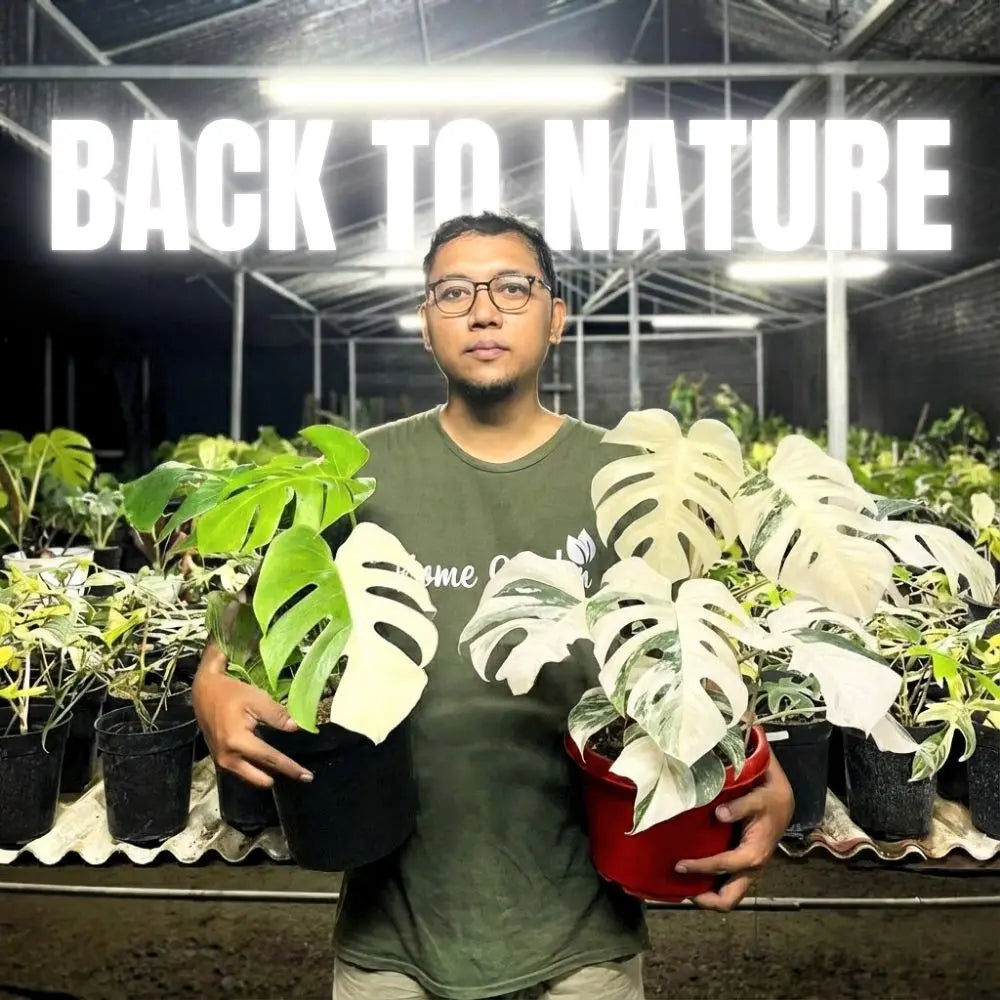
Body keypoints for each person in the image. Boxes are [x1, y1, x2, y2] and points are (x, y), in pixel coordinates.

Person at [192, 211, 795, 1000]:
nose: (483, 311)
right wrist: (212, 683)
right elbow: (257, 613)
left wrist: (769, 771)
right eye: (454, 292)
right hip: (391, 930)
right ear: (425, 323)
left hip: (581, 933)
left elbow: (692, 649)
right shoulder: (354, 472)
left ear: (556, 317)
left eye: (513, 288)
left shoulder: (625, 476)